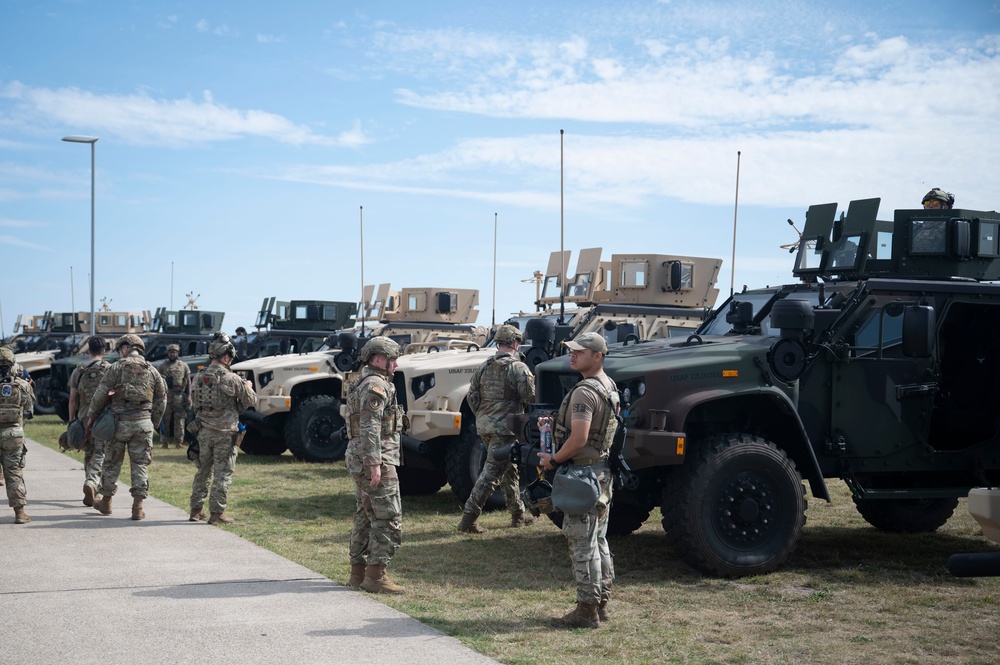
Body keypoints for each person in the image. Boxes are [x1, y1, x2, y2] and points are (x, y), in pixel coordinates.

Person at [537, 332, 620, 629]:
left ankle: (586, 611)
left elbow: (580, 438)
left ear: (596, 356)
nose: (572, 355)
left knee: (582, 545)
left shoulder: (585, 391)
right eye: (571, 351)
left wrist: (554, 460)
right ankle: (601, 601)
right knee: (599, 540)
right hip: (600, 473)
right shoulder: (609, 387)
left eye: (580, 352)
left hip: (582, 475)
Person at [458, 324, 536, 533]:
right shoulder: (518, 368)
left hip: (485, 426)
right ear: (515, 343)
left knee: (509, 470)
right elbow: (529, 396)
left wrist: (484, 416)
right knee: (491, 474)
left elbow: (471, 396)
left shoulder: (484, 366)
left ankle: (518, 514)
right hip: (506, 428)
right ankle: (468, 518)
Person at [344, 336, 406, 594]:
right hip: (375, 457)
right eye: (392, 359)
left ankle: (358, 574)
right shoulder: (376, 386)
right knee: (388, 516)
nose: (395, 363)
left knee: (366, 514)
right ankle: (376, 577)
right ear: (377, 359)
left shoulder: (362, 381)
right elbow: (370, 425)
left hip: (361, 456)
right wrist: (375, 463)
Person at [87, 334, 167, 521]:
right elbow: (162, 400)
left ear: (125, 348)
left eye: (119, 350)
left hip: (119, 424)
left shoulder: (116, 368)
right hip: (143, 424)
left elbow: (101, 393)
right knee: (140, 465)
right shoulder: (152, 370)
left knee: (111, 463)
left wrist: (91, 416)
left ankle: (106, 501)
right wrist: (152, 422)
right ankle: (137, 507)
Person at [188, 333, 255, 524]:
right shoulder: (231, 378)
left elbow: (195, 406)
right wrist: (248, 386)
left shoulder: (199, 377)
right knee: (222, 474)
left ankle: (195, 510)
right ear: (226, 357)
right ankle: (217, 513)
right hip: (225, 433)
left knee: (202, 471)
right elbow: (250, 400)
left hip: (204, 432)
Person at [68, 336, 111, 507]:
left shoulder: (78, 370)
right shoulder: (110, 369)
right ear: (103, 351)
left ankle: (89, 482)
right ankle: (94, 486)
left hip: (84, 415)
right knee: (101, 452)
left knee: (88, 451)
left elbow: (72, 398)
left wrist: (72, 420)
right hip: (103, 416)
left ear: (88, 350)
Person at [0, 347, 35, 523]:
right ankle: (20, 513)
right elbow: (28, 406)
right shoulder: (21, 385)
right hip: (13, 434)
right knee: (14, 473)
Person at [157, 343, 191, 449]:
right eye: (170, 352)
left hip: (179, 396)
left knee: (180, 420)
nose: (172, 354)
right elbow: (157, 382)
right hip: (166, 396)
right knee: (165, 419)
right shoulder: (162, 366)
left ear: (178, 353)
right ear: (168, 353)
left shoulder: (184, 366)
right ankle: (164, 442)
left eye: (174, 352)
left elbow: (188, 381)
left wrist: (189, 395)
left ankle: (179, 442)